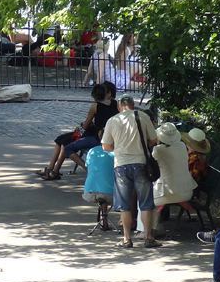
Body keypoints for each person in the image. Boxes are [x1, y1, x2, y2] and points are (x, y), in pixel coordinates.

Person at [101, 95, 161, 248]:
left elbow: (106, 146)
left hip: (121, 165)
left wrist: (120, 149)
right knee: (146, 203)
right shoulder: (143, 117)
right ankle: (148, 237)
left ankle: (127, 239)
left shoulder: (113, 120)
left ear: (120, 105)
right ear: (133, 105)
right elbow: (154, 141)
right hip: (141, 163)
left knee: (124, 205)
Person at [37, 82, 118, 180]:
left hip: (94, 135)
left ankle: (54, 170)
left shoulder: (95, 106)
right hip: (107, 135)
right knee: (63, 140)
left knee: (64, 141)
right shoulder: (117, 104)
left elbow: (85, 125)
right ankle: (53, 170)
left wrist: (80, 128)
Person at [181, 128, 212, 205]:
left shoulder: (194, 158)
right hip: (195, 190)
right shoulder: (201, 157)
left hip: (189, 191)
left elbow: (190, 176)